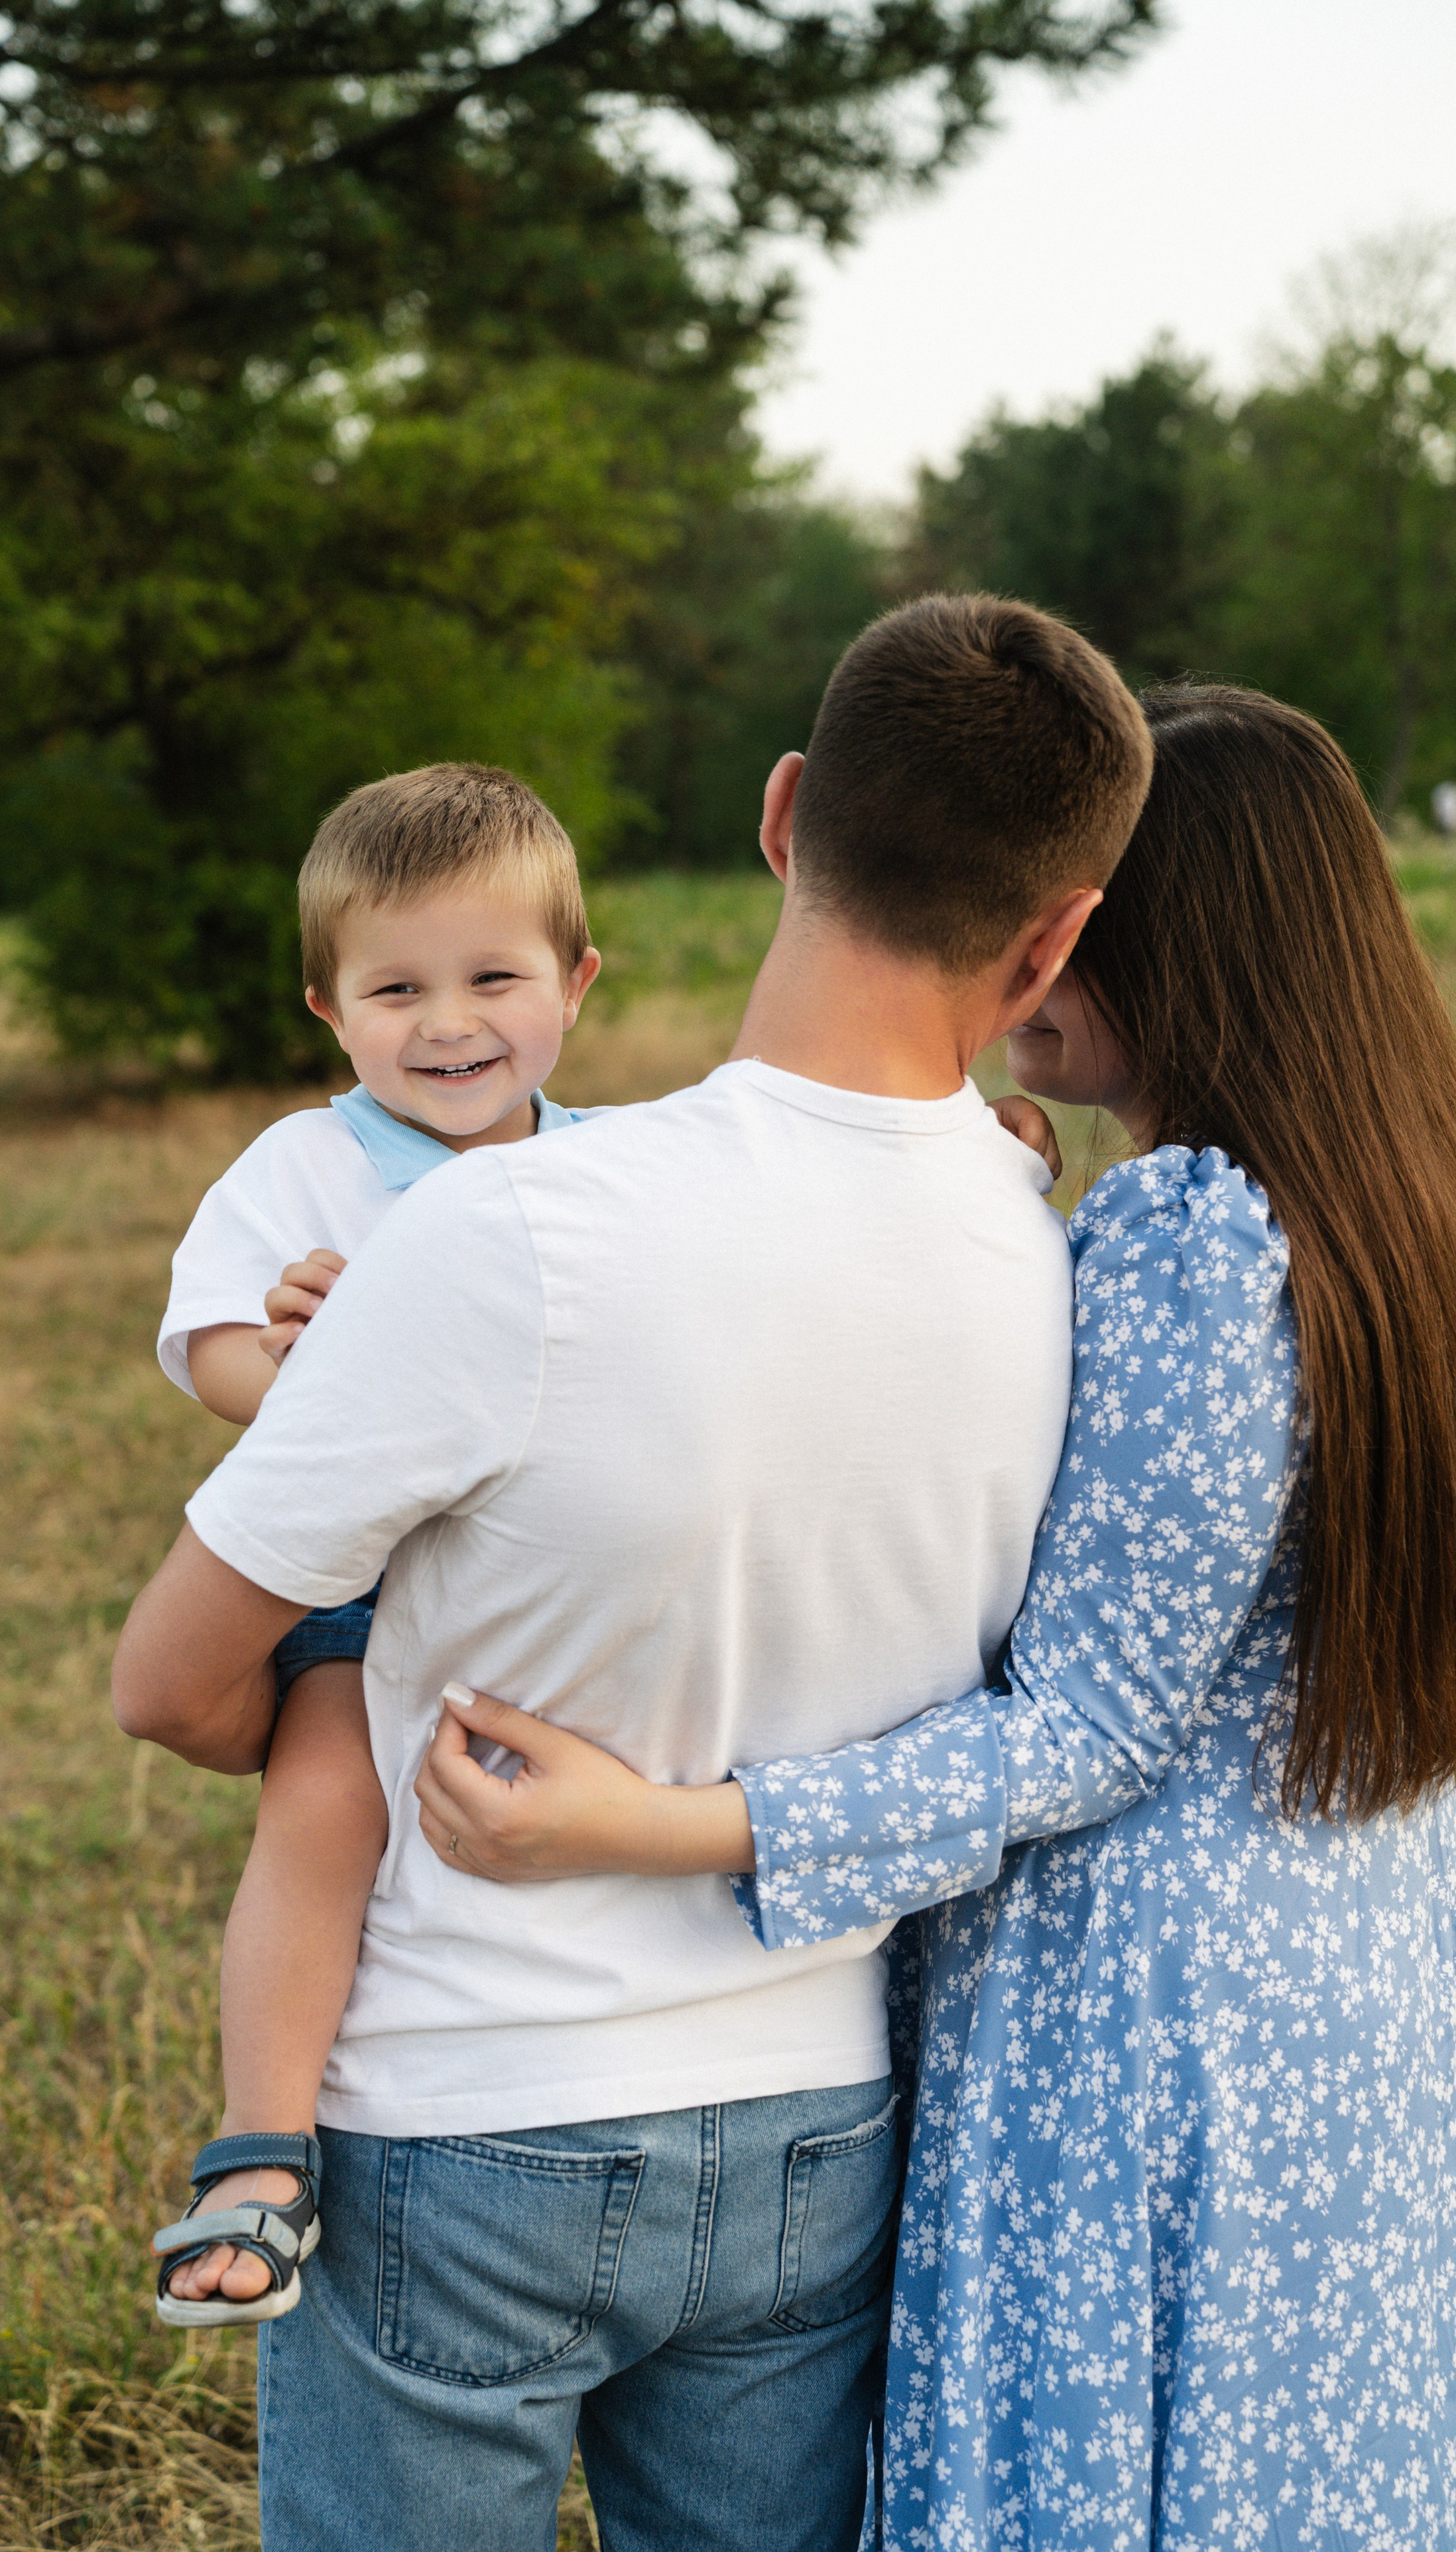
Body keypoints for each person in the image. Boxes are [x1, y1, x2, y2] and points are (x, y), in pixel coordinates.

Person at [111, 593, 1154, 2552]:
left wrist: (347, 1719)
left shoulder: (511, 1227)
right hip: (824, 2121)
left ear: (782, 815)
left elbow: (164, 1685)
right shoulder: (1055, 1250)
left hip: (468, 2116)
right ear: (1055, 936)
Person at [418, 686, 1456, 2550]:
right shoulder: (1400, 1219)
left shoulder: (1192, 1238)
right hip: (1361, 1987)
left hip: (1137, 2015)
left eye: (1055, 913)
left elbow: (1092, 1724)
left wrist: (662, 1823)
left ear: (1161, 936)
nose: (1009, 953)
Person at [148, 762, 603, 2323]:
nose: (446, 1022)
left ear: (575, 982)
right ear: (328, 1010)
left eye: (492, 978)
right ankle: (262, 2151)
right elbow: (208, 1344)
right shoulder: (306, 1166)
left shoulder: (607, 1165)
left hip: (555, 1584)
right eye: (395, 988)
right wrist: (297, 1361)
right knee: (325, 1799)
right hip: (363, 1593)